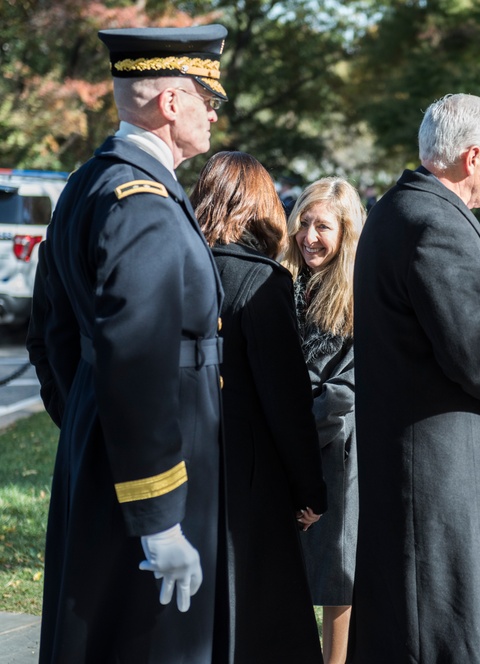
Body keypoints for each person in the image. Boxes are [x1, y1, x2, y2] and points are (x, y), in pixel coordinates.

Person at [27, 25, 231, 662]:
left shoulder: (91, 181)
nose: (215, 115)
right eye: (210, 100)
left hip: (112, 450)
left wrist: (91, 425)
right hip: (158, 473)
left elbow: (54, 332)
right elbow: (136, 360)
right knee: (149, 642)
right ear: (173, 103)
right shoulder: (142, 203)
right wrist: (160, 518)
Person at [350, 93, 480, 663]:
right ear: (472, 157)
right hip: (435, 467)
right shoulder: (437, 223)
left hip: (412, 455)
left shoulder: (397, 207)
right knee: (441, 627)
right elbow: (471, 357)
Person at [189, 151, 329, 663]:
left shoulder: (182, 265)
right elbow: (286, 400)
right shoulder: (263, 280)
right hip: (250, 481)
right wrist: (309, 489)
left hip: (180, 468)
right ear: (258, 206)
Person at [282, 177, 364, 664]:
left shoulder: (356, 298)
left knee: (338, 576)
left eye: (323, 227)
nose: (310, 236)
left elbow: (341, 394)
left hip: (336, 451)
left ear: (346, 232)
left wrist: (307, 480)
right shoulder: (283, 284)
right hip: (288, 446)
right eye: (304, 223)